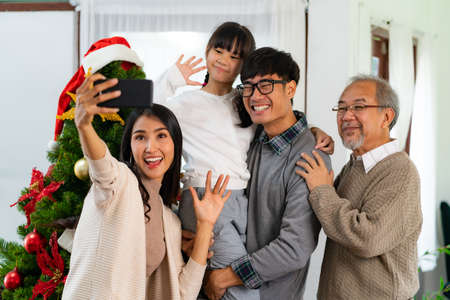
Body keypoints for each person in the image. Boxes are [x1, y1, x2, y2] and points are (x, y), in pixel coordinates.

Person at [61, 72, 231, 300]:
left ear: (174, 144)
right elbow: (101, 167)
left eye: (161, 136)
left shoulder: (169, 222)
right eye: (140, 137)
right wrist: (84, 126)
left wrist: (205, 224)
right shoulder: (119, 183)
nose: (151, 147)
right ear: (130, 146)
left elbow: (182, 294)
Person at [202, 47, 332, 300]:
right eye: (248, 86)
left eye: (266, 85)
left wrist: (225, 276)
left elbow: (294, 248)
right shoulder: (249, 137)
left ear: (291, 89)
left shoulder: (311, 158)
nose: (254, 95)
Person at [296, 75, 422, 299]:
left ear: (386, 116)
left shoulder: (400, 172)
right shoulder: (355, 166)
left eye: (359, 106)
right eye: (341, 108)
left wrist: (322, 190)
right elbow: (323, 215)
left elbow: (368, 239)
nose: (346, 116)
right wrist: (310, 134)